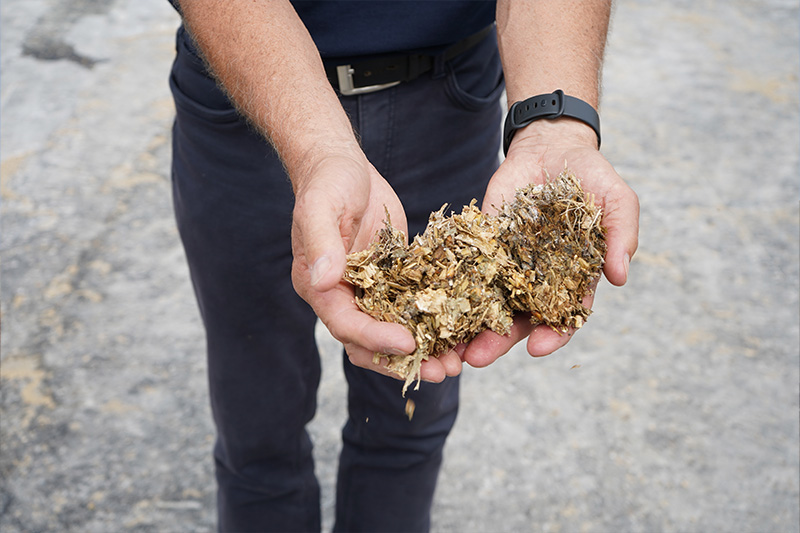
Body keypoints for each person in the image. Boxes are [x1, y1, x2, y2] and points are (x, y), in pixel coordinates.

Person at [166, 1, 639, 531]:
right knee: (256, 418)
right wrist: (320, 149)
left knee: (411, 419)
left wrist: (556, 126)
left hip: (448, 94)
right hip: (250, 88)